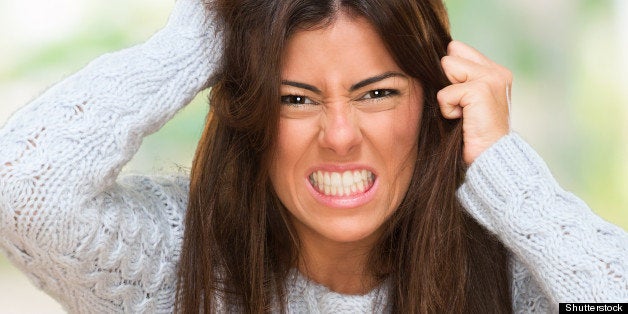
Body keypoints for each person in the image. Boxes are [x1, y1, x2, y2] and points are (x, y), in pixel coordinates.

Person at [0, 0, 625, 312]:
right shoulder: (177, 259)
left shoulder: (518, 280)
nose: (340, 135)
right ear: (251, 115)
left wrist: (504, 169)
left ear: (437, 102)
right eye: (296, 99)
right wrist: (219, 24)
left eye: (377, 93)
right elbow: (22, 188)